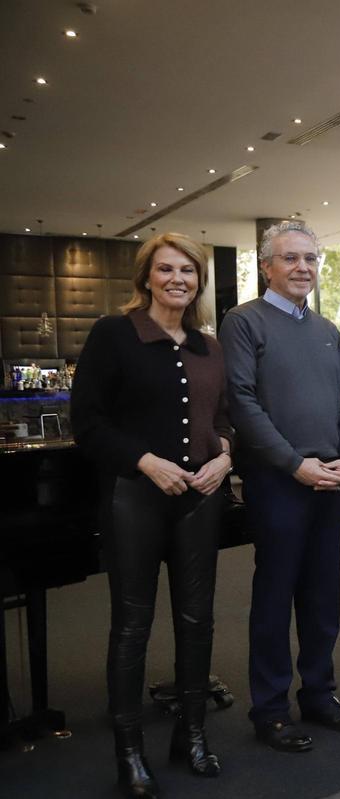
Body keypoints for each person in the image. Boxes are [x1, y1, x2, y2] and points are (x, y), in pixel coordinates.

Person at [72, 232, 231, 797]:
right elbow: (86, 424)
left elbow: (224, 417)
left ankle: (191, 735)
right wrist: (144, 462)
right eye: (166, 269)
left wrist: (226, 457)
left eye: (188, 271)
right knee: (132, 627)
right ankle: (130, 753)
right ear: (146, 278)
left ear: (198, 282)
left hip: (199, 499)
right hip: (134, 498)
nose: (177, 280)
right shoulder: (114, 335)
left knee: (197, 621)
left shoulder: (210, 346)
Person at [219, 221, 340, 753]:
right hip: (279, 482)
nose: (302, 267)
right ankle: (272, 709)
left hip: (331, 481)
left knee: (323, 597)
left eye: (310, 258)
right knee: (275, 597)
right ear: (267, 266)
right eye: (290, 259)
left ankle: (320, 695)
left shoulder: (327, 330)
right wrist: (293, 463)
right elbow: (242, 403)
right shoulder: (243, 321)